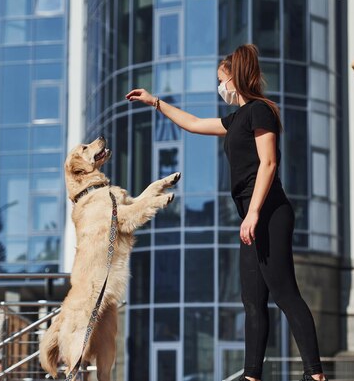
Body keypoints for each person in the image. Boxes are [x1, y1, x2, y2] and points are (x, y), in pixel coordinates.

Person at [126, 44, 327, 381]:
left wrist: (254, 214)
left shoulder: (261, 111)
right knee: (252, 300)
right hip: (252, 215)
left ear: (236, 79)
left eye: (222, 80)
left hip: (269, 213)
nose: (220, 87)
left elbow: (269, 163)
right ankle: (252, 376)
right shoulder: (237, 119)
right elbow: (192, 123)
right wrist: (156, 102)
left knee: (284, 293)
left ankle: (315, 375)